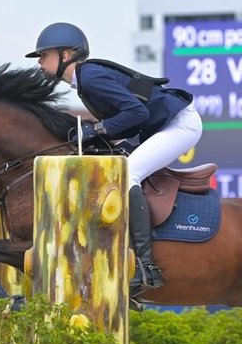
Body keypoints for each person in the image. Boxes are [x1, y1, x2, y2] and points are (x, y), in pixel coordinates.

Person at [27, 22, 202, 296]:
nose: (39, 62)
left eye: (43, 55)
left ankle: (146, 266)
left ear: (65, 55)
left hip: (180, 124)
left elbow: (136, 113)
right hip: (164, 123)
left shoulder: (90, 77)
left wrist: (96, 129)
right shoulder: (85, 81)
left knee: (128, 172)